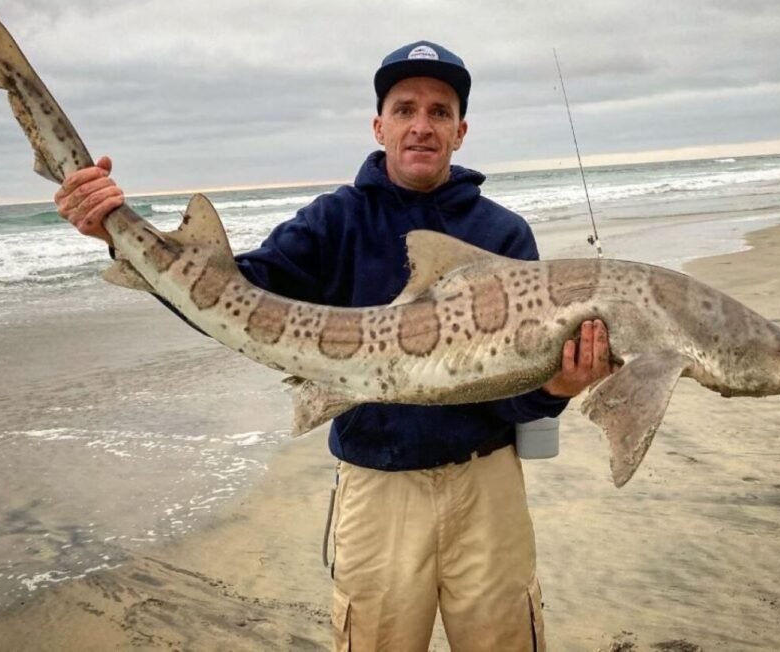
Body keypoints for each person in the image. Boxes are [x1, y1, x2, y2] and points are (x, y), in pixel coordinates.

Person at [55, 40, 612, 651]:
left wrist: (556, 388)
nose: (421, 126)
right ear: (379, 125)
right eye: (404, 109)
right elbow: (229, 301)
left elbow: (516, 394)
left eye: (438, 111)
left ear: (461, 130)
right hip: (377, 490)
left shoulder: (503, 234)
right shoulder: (332, 222)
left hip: (488, 487)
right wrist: (114, 231)